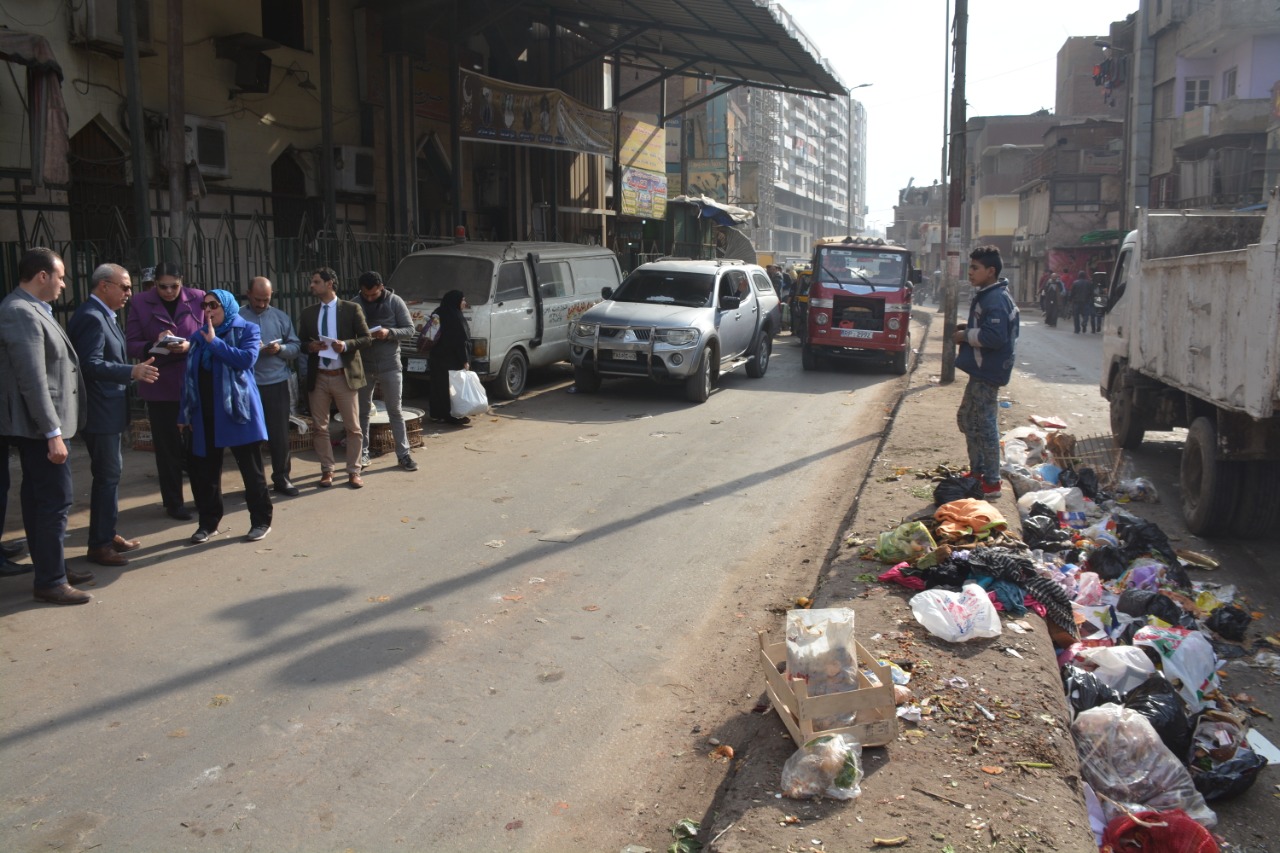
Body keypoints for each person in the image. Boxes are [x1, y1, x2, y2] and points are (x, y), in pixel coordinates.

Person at [0, 247, 95, 604]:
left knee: (40, 500)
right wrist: (52, 433)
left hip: (44, 426)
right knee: (54, 501)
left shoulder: (34, 309)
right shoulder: (19, 312)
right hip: (39, 428)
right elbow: (33, 379)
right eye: (60, 276)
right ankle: (51, 580)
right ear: (43, 276)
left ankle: (50, 567)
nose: (63, 283)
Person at [68, 264, 160, 567]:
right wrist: (131, 371)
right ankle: (99, 545)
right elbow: (89, 365)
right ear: (104, 285)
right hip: (99, 413)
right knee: (107, 477)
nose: (129, 293)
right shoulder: (91, 317)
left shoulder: (105, 315)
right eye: (124, 287)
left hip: (110, 409)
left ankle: (107, 533)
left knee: (111, 477)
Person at [178, 289, 273, 544]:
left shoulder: (247, 330)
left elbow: (246, 360)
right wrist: (184, 413)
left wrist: (215, 343)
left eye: (214, 305)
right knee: (205, 473)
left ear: (227, 307)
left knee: (251, 471)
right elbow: (188, 378)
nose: (208, 310)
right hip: (205, 414)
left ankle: (261, 521)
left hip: (238, 412)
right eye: (205, 306)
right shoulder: (198, 337)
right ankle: (208, 524)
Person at [125, 261, 206, 520]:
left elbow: (209, 334)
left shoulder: (199, 299)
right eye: (163, 287)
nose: (169, 291)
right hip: (159, 381)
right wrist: (155, 343)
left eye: (174, 286)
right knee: (168, 449)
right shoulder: (139, 302)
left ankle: (204, 497)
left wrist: (188, 347)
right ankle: (174, 503)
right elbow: (131, 344)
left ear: (182, 282)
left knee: (198, 445)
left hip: (193, 382)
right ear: (155, 284)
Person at [951, 245, 1019, 498]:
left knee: (985, 425)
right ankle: (978, 471)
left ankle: (991, 481)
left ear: (991, 271)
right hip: (981, 371)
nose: (970, 272)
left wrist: (965, 335)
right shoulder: (988, 294)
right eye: (970, 267)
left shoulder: (995, 298)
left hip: (988, 372)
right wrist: (967, 329)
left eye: (975, 268)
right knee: (968, 419)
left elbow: (994, 337)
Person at [298, 267, 372, 488]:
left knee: (353, 427)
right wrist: (310, 346)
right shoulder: (309, 313)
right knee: (320, 427)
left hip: (343, 376)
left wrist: (346, 345)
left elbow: (367, 338)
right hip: (319, 376)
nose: (312, 285)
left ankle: (353, 471)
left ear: (329, 284)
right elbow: (301, 343)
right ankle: (327, 470)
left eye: (316, 281)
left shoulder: (351, 309)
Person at [240, 276, 302, 496]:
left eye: (266, 300)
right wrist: (251, 351)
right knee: (250, 438)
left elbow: (296, 346)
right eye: (257, 299)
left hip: (276, 383)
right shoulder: (237, 318)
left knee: (280, 435)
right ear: (248, 294)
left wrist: (281, 349)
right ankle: (255, 483)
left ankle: (282, 478)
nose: (262, 304)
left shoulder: (279, 317)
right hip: (248, 385)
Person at [355, 270, 417, 471]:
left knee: (395, 411)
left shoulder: (395, 302)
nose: (369, 298)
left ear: (381, 287)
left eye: (373, 294)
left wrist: (389, 333)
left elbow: (409, 329)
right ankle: (362, 454)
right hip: (364, 365)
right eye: (366, 294)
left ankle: (404, 455)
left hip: (390, 365)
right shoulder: (355, 302)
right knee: (363, 413)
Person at [428, 289, 472, 426]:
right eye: (463, 300)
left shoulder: (438, 312)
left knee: (437, 387)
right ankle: (452, 416)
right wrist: (465, 361)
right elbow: (460, 342)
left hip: (436, 357)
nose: (464, 303)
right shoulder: (456, 317)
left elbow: (431, 335)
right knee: (452, 388)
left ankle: (437, 414)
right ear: (456, 301)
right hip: (452, 360)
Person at [1069, 270, 1095, 334]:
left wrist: (1070, 299)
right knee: (1085, 314)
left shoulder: (1075, 283)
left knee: (1076, 316)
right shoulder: (1089, 283)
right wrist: (1092, 300)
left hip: (1076, 302)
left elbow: (1072, 293)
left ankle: (1077, 329)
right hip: (1086, 301)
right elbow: (1092, 293)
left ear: (1078, 276)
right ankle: (1084, 322)